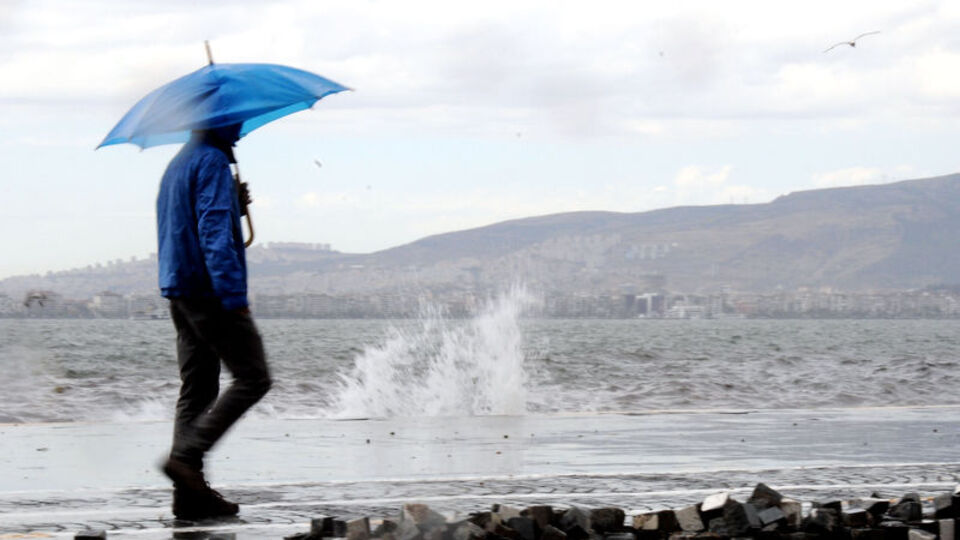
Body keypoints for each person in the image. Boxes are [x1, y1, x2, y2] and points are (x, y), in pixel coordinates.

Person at [156, 123, 272, 520]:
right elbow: (212, 233)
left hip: (180, 287)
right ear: (217, 121)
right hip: (208, 290)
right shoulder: (211, 162)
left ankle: (189, 497)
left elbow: (188, 225)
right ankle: (186, 457)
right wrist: (233, 296)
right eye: (232, 120)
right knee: (254, 378)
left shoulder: (179, 164)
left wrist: (234, 206)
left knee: (198, 388)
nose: (239, 126)